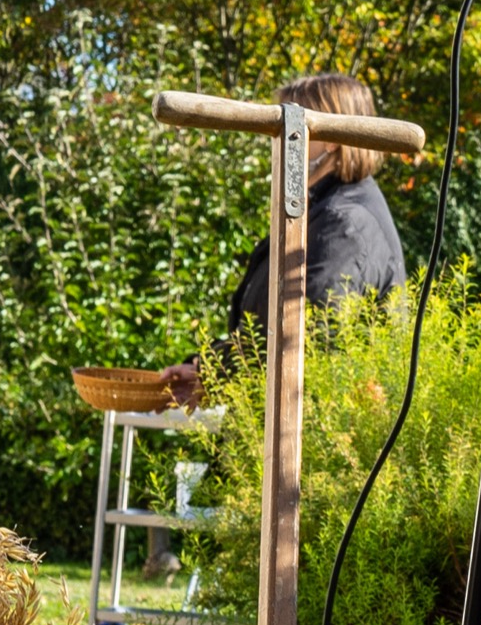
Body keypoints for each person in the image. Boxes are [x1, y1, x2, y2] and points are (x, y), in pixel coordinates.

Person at [159, 70, 407, 411]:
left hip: (317, 445)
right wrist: (206, 371)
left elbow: (301, 340)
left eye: (288, 132)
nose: (277, 142)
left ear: (331, 138)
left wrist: (214, 370)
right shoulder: (319, 211)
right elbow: (267, 334)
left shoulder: (345, 225)